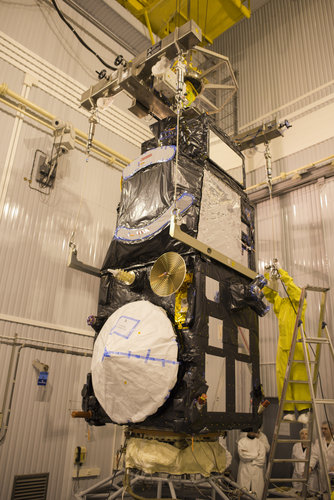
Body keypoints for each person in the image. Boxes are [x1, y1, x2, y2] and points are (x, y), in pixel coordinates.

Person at [262, 266, 311, 423]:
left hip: (297, 344)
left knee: (299, 376)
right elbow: (269, 294)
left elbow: (294, 291)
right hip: (283, 345)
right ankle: (288, 410)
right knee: (282, 378)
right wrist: (269, 275)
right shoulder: (282, 304)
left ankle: (304, 410)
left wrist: (283, 273)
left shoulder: (300, 304)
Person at [237, 430, 266, 498]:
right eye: (251, 431)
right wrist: (256, 455)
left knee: (257, 494)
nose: (253, 433)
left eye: (254, 431)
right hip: (244, 471)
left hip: (257, 471)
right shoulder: (242, 442)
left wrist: (250, 460)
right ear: (248, 431)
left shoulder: (260, 443)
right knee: (243, 493)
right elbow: (243, 456)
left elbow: (261, 460)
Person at [310, 421, 334, 492]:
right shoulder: (319, 441)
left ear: (332, 429)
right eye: (322, 429)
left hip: (332, 473)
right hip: (322, 474)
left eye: (325, 429)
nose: (323, 431)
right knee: (324, 492)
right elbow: (314, 456)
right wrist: (310, 467)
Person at [292, 427, 318, 492]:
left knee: (308, 494)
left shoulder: (313, 447)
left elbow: (314, 460)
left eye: (306, 434)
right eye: (302, 434)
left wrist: (308, 470)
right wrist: (297, 469)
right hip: (296, 475)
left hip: (309, 477)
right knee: (296, 494)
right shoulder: (295, 446)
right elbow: (293, 459)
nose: (304, 436)